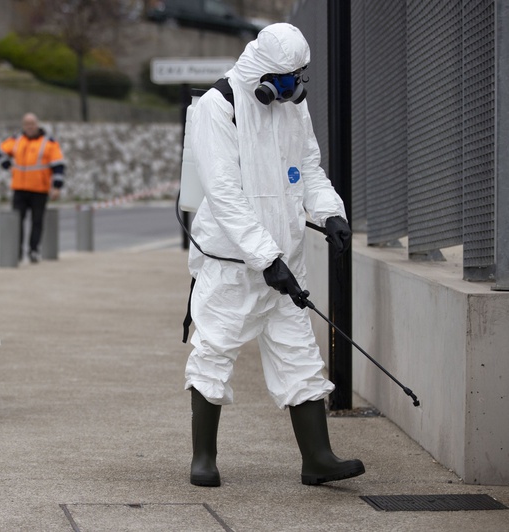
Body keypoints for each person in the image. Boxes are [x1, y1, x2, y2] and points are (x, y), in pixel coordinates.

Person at [183, 23, 363, 487]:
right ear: (262, 73)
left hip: (285, 261)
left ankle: (318, 459)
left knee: (299, 356)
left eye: (299, 77)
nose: (293, 88)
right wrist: (265, 257)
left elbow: (307, 167)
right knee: (214, 350)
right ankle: (203, 458)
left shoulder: (291, 106)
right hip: (232, 264)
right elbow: (224, 194)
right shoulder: (218, 106)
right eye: (285, 80)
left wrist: (331, 213)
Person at [0, 113, 65, 263]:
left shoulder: (49, 142)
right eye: (27, 124)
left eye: (32, 124)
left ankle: (34, 251)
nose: (30, 127)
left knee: (37, 221)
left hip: (39, 189)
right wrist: (7, 166)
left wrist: (57, 187)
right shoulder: (17, 140)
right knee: (17, 221)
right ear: (23, 125)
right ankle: (17, 252)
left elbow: (58, 165)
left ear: (37, 124)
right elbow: (0, 151)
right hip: (19, 188)